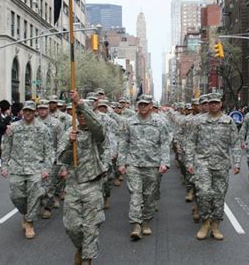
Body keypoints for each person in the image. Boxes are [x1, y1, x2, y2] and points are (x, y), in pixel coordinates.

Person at [58, 90, 107, 265]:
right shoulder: (69, 134)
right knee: (72, 227)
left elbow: (98, 128)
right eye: (79, 114)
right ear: (76, 117)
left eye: (85, 114)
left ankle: (87, 259)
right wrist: (69, 145)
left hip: (92, 184)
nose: (82, 117)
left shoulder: (96, 133)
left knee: (91, 227)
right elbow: (61, 159)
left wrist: (81, 103)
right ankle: (81, 248)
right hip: (73, 184)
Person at [185, 93, 241, 241]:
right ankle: (205, 222)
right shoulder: (198, 121)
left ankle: (215, 225)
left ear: (220, 104)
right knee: (203, 193)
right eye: (211, 103)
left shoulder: (228, 122)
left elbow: (235, 143)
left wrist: (237, 163)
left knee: (218, 195)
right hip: (202, 162)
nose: (213, 105)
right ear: (207, 104)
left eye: (216, 102)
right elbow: (190, 142)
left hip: (221, 163)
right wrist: (189, 163)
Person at [118, 94, 170, 240]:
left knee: (149, 195)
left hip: (152, 165)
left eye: (145, 104)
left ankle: (146, 220)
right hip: (133, 163)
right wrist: (121, 163)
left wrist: (164, 162)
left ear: (151, 106)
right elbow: (123, 142)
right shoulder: (129, 122)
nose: (142, 107)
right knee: (135, 194)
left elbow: (165, 143)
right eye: (140, 104)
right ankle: (136, 224)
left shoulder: (160, 122)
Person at [1, 101, 54, 239]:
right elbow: (6, 147)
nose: (28, 113)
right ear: (22, 112)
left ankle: (29, 223)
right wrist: (4, 166)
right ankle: (25, 213)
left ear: (34, 112)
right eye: (26, 111)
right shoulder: (13, 127)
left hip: (35, 168)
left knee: (34, 195)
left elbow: (49, 151)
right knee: (16, 196)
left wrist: (46, 168)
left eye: (31, 110)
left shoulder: (42, 128)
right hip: (17, 168)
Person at [36, 99, 64, 219]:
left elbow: (61, 142)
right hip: (36, 158)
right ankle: (37, 204)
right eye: (40, 109)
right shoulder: (33, 122)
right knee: (36, 184)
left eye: (44, 108)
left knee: (49, 184)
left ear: (48, 109)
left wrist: (60, 161)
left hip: (51, 158)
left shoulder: (56, 123)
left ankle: (47, 207)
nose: (42, 111)